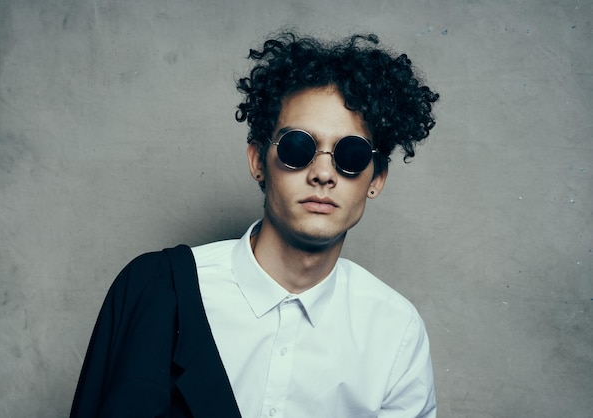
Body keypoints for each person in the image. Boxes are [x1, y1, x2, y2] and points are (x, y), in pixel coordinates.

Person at [71, 32, 439, 418]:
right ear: (258, 161)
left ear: (376, 179)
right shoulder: (156, 288)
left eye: (351, 154)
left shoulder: (396, 332)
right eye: (299, 147)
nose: (323, 174)